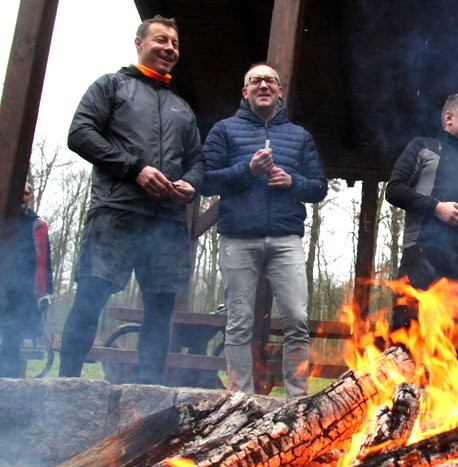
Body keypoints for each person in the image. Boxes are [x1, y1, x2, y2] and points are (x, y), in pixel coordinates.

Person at [59, 15, 203, 383]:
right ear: (139, 43)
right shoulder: (111, 86)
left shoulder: (182, 108)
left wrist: (189, 183)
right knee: (92, 296)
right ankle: (65, 381)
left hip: (167, 220)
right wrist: (134, 168)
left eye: (174, 43)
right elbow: (80, 133)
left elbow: (196, 161)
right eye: (161, 40)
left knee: (159, 306)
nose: (169, 48)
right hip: (116, 212)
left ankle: (150, 389)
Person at [201, 63, 327, 397]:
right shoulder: (224, 131)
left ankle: (297, 399)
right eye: (255, 81)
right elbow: (204, 180)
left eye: (270, 81)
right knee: (239, 321)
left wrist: (292, 182)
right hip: (237, 238)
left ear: (280, 91)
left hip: (286, 239)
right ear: (245, 92)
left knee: (297, 319)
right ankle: (239, 397)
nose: (263, 85)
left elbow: (318, 187)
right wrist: (247, 169)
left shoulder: (299, 136)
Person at [386, 93, 458, 336]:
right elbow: (394, 190)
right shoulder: (423, 146)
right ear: (449, 117)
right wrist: (437, 208)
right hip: (420, 251)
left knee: (448, 339)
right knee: (405, 333)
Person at [0, 184, 53, 377]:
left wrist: (48, 289)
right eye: (20, 192)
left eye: (26, 193)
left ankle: (8, 383)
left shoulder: (37, 225)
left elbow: (46, 259)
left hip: (23, 291)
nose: (23, 197)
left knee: (13, 339)